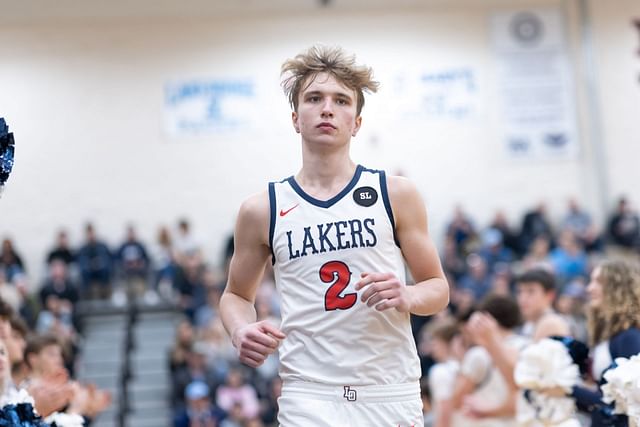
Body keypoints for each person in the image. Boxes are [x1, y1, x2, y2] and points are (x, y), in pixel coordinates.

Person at [220, 45, 449, 426]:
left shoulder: (396, 193)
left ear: (356, 122)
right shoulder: (261, 209)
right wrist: (240, 329)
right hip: (308, 395)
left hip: (389, 391)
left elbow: (438, 288)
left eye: (341, 100)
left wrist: (408, 294)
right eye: (314, 98)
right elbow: (235, 295)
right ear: (296, 118)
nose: (327, 108)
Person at [566, 259, 640, 426]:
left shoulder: (629, 337)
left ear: (619, 287)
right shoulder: (608, 334)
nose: (589, 288)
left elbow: (628, 402)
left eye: (598, 282)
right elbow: (603, 399)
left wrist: (568, 389)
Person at [516, 268, 570, 341]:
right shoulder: (529, 324)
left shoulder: (551, 323)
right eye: (520, 292)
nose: (523, 298)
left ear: (550, 295)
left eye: (531, 291)